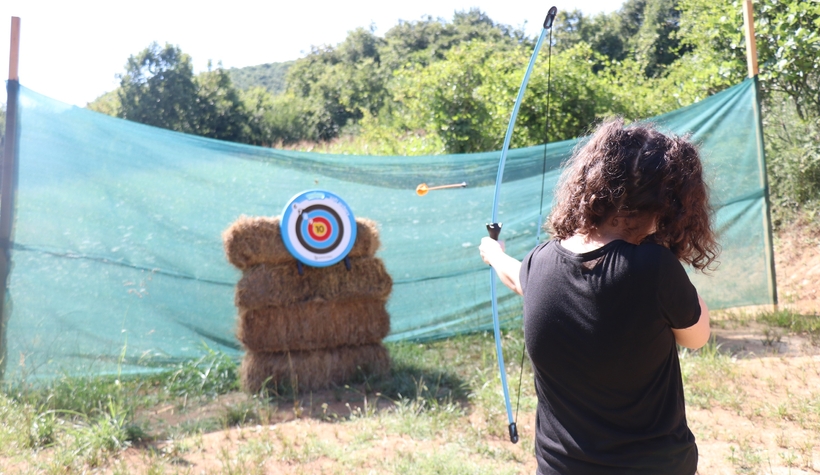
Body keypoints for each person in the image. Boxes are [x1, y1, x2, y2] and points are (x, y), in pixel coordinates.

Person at [479, 118, 718, 475]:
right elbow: (697, 336)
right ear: (669, 202)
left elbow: (518, 278)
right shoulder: (654, 267)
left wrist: (495, 254)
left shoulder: (540, 261)